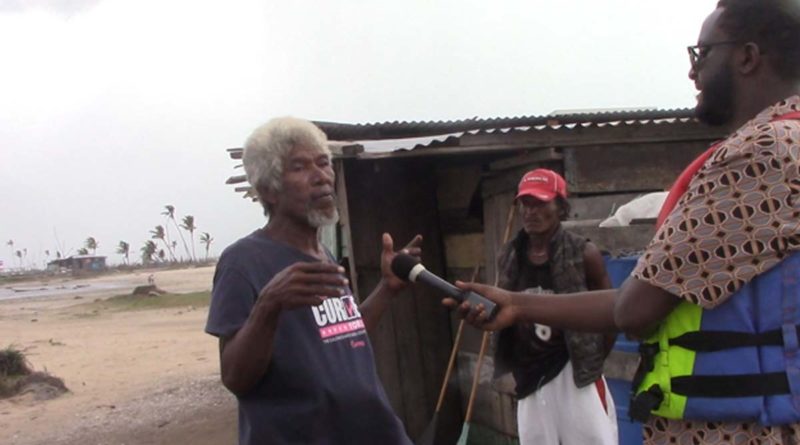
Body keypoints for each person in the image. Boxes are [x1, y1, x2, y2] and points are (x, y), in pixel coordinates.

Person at [447, 1, 800, 444]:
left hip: (736, 430)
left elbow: (634, 310)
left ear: (747, 57)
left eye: (701, 54)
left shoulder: (755, 155)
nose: (693, 73)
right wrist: (517, 304)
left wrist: (519, 305)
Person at [205, 117, 420, 445]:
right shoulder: (243, 262)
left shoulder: (323, 254)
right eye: (299, 167)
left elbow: (341, 334)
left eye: (323, 163)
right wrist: (269, 305)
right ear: (268, 190)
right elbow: (235, 377)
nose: (320, 176)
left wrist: (386, 289)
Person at [493, 168, 617, 445]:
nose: (531, 211)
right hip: (530, 378)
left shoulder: (583, 253)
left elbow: (611, 313)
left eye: (540, 203)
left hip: (574, 375)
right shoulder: (510, 255)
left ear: (560, 207)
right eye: (526, 203)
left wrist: (590, 363)